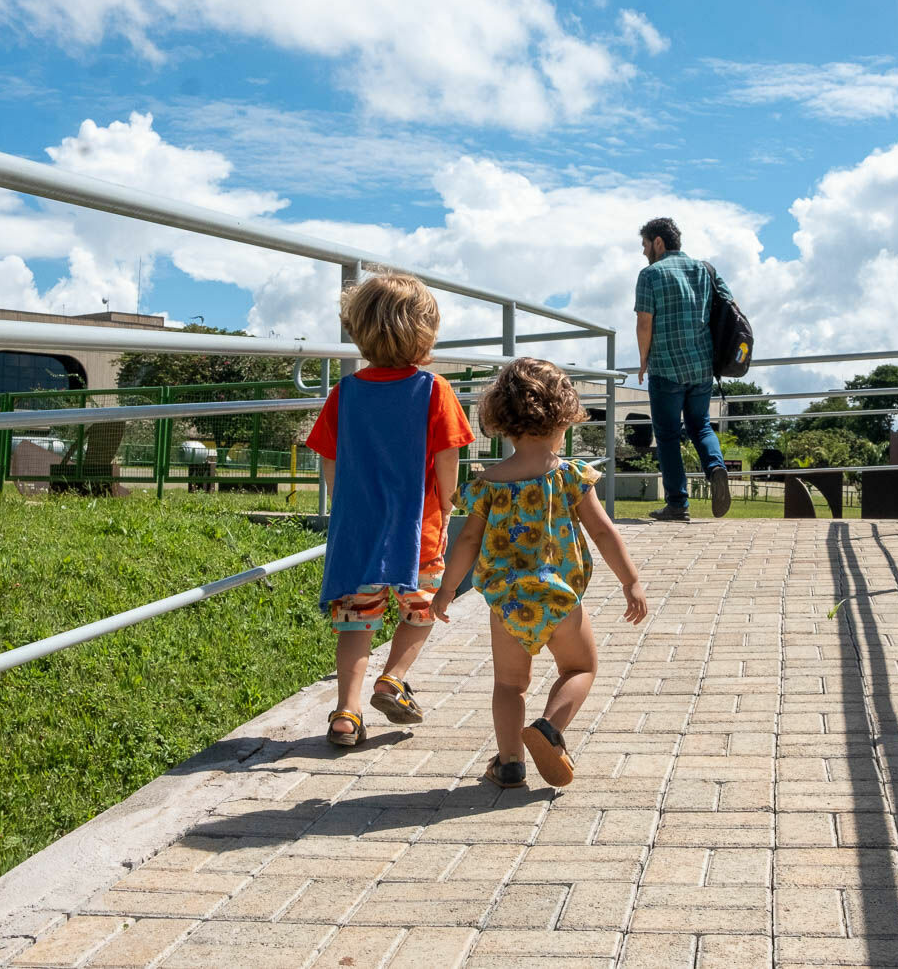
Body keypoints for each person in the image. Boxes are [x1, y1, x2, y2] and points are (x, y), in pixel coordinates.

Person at [432, 358, 648, 788]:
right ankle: (549, 729)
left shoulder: (488, 482)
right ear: (564, 418)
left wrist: (447, 590)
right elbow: (603, 533)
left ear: (504, 422)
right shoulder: (569, 476)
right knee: (579, 669)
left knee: (509, 686)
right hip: (560, 598)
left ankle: (510, 762)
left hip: (508, 603)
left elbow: (468, 542)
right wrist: (631, 580)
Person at [306, 272, 475, 748]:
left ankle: (346, 712)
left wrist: (346, 511)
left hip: (357, 536)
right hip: (415, 531)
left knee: (356, 622)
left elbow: (330, 461)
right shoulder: (433, 389)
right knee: (422, 612)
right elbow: (448, 462)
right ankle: (394, 678)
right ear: (424, 331)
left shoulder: (345, 392)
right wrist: (446, 505)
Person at [634, 216, 734, 521]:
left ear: (659, 242)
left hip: (666, 368)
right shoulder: (704, 269)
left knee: (666, 435)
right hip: (702, 367)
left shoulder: (650, 274)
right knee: (700, 425)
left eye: (645, 244)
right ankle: (715, 467)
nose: (643, 252)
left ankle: (677, 503)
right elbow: (730, 306)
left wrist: (643, 361)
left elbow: (644, 322)